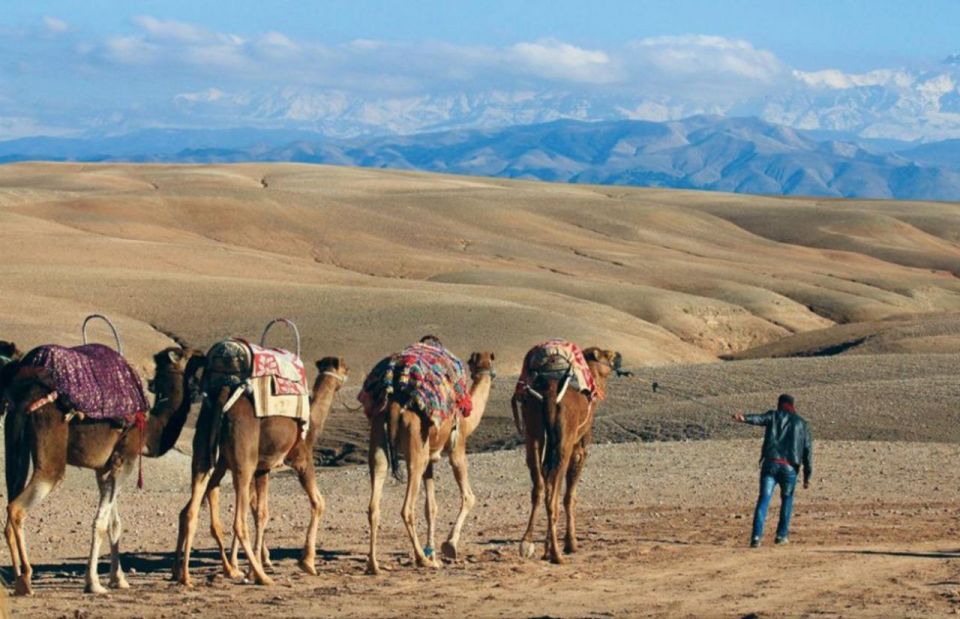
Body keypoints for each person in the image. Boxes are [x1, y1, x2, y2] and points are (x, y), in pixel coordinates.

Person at [733, 394, 813, 548]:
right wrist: (807, 476)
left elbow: (759, 419)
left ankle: (756, 537)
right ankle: (781, 535)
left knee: (764, 499)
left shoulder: (774, 416)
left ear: (780, 404)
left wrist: (743, 418)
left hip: (770, 464)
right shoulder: (802, 424)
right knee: (787, 499)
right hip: (790, 467)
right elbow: (807, 450)